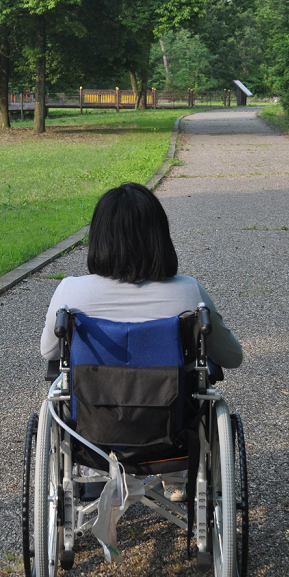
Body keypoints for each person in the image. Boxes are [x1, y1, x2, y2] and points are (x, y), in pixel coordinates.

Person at [39, 182, 243, 502]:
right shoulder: (188, 292)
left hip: (93, 434)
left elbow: (49, 351)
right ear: (159, 237)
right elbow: (232, 357)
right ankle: (174, 475)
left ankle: (98, 473)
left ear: (99, 238)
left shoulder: (71, 292)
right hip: (171, 435)